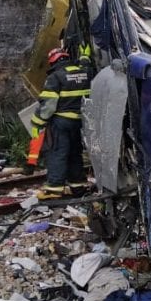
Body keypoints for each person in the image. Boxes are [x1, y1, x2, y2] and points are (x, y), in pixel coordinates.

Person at [30, 46, 93, 199]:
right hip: (79, 123)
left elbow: (49, 106)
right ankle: (78, 186)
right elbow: (85, 65)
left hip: (61, 123)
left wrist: (37, 123)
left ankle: (54, 189)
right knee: (74, 154)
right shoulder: (85, 72)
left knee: (57, 153)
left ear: (53, 62)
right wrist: (85, 56)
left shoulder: (55, 78)